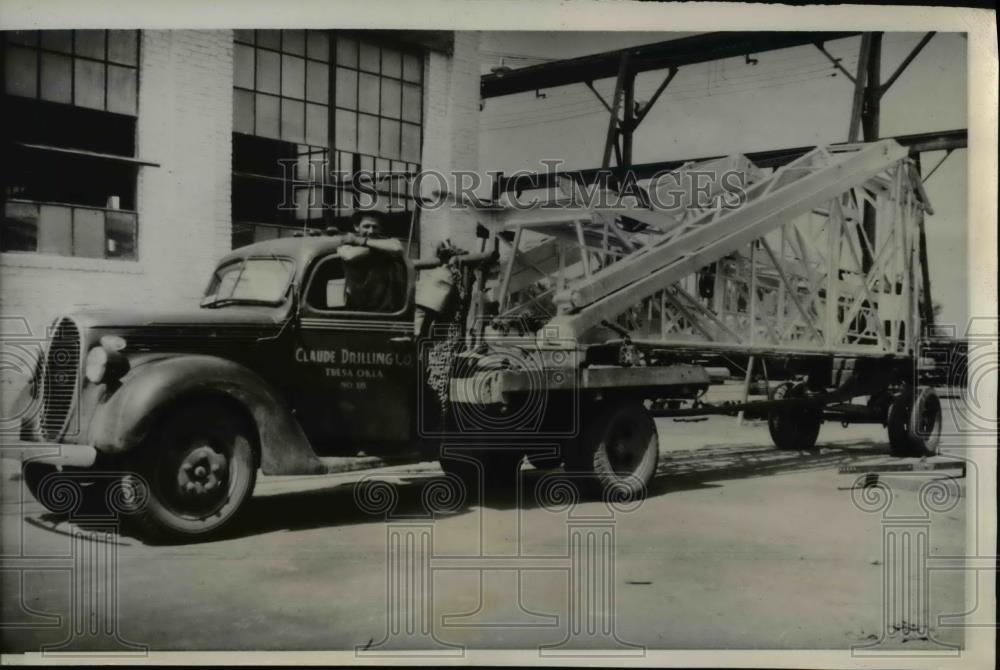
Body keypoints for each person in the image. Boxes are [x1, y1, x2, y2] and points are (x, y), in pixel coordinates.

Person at [336, 211, 406, 312]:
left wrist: (361, 241)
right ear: (356, 227)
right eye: (366, 226)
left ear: (381, 228)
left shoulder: (356, 241)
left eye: (375, 227)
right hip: (357, 309)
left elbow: (398, 248)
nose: (371, 231)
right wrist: (381, 249)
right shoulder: (347, 244)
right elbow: (349, 255)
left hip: (386, 309)